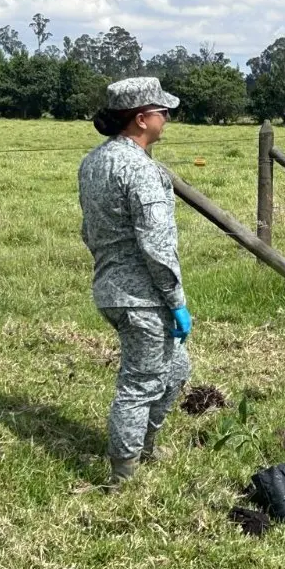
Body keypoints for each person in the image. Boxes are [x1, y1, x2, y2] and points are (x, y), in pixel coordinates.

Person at [78, 77, 192, 489]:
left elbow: (87, 229)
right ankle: (123, 474)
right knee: (140, 383)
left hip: (110, 287)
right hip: (142, 297)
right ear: (142, 119)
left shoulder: (94, 162)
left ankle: (146, 443)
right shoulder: (140, 170)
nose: (167, 118)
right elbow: (157, 244)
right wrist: (176, 299)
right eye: (162, 112)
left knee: (177, 369)